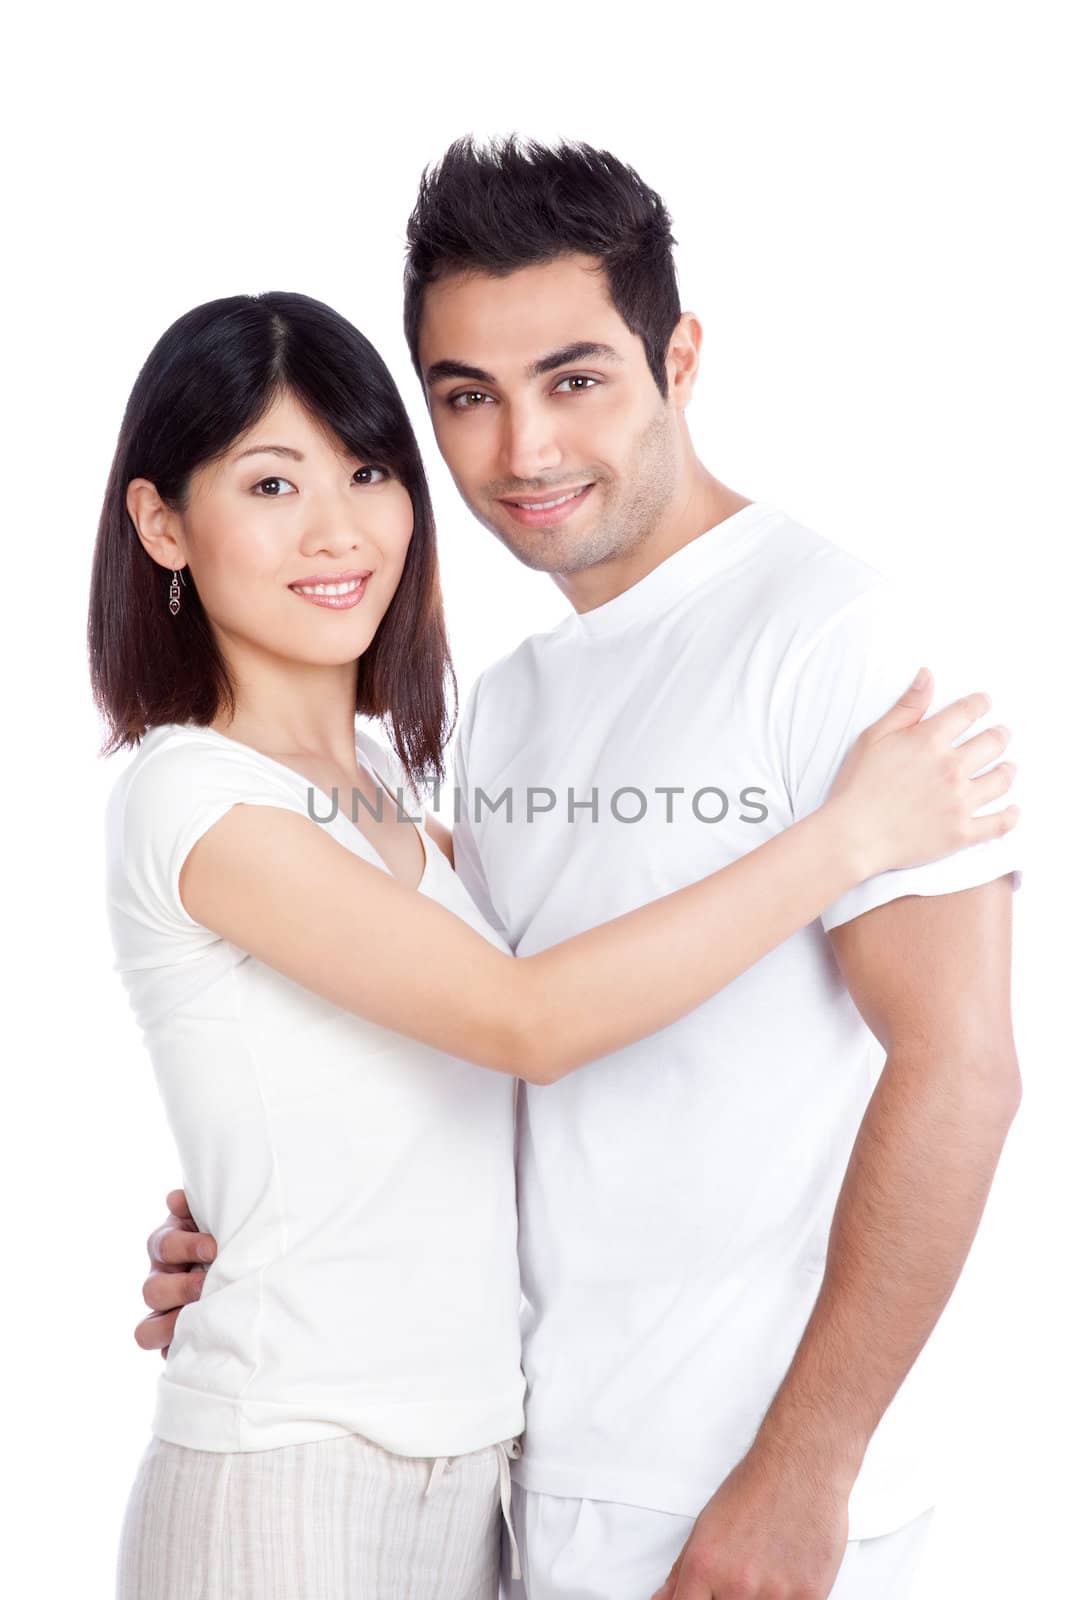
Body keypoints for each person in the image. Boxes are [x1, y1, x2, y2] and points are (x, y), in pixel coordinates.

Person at [128, 141, 1024, 1600]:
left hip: (758, 1499)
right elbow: (504, 1030)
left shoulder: (835, 630)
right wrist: (260, 1208)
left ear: (677, 356)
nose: (525, 450)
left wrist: (809, 1467)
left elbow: (965, 1070)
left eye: (576, 378)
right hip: (527, 1483)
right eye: (467, 400)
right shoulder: (516, 702)